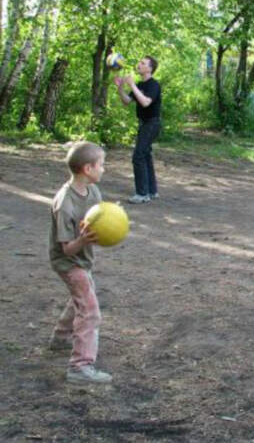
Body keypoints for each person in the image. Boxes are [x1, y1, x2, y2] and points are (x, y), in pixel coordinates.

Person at [48, 141, 112, 383]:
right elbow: (66, 249)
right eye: (101, 165)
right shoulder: (65, 202)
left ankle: (60, 339)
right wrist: (84, 240)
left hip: (82, 259)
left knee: (81, 298)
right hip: (68, 261)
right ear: (88, 169)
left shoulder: (93, 191)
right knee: (90, 311)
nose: (104, 169)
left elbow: (99, 217)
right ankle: (80, 366)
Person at [114, 56, 162, 204]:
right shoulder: (140, 84)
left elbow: (146, 102)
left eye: (143, 63)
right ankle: (152, 191)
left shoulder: (153, 85)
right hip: (144, 124)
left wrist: (133, 85)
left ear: (150, 69)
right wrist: (120, 88)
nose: (139, 65)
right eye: (139, 62)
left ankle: (142, 194)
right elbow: (126, 102)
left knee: (138, 156)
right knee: (145, 156)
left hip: (152, 124)